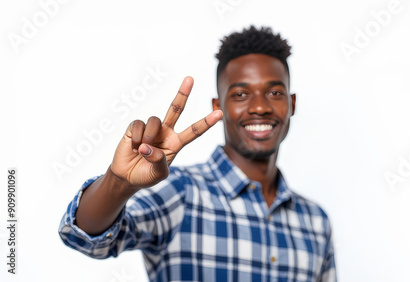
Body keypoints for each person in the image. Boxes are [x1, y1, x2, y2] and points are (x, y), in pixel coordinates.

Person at [59, 26, 336, 282]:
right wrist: (118, 183)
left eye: (275, 92)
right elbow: (85, 238)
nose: (260, 107)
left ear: (292, 103)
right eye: (241, 94)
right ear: (219, 106)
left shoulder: (315, 220)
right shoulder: (180, 192)